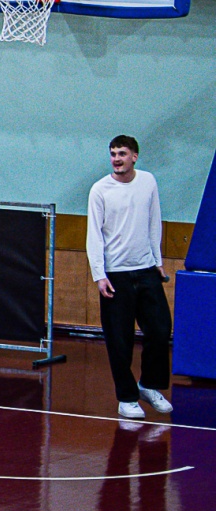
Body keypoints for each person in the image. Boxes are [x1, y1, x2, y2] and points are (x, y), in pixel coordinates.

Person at [89, 135, 173, 422]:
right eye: (113, 154)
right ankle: (126, 398)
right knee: (119, 340)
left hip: (146, 270)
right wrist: (99, 275)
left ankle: (148, 385)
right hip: (115, 275)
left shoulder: (148, 181)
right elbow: (94, 235)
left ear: (134, 156)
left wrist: (157, 261)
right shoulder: (100, 190)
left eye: (122, 153)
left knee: (160, 330)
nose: (116, 159)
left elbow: (154, 221)